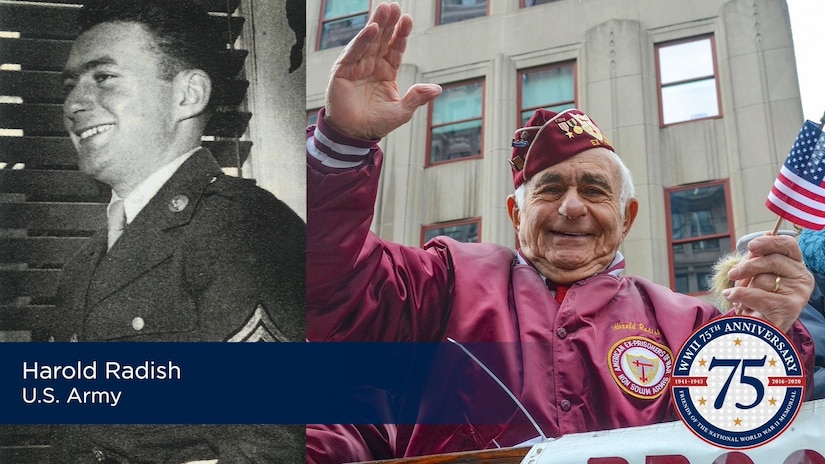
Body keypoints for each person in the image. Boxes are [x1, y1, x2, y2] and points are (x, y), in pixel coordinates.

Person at [305, 3, 815, 462]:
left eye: (594, 190)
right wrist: (343, 143)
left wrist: (770, 333)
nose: (572, 207)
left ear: (628, 216)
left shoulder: (691, 324)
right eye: (549, 190)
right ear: (515, 213)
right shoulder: (445, 282)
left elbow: (744, 434)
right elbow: (327, 283)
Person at [49, 0, 305, 461]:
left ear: (188, 95)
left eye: (103, 77)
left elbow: (270, 446)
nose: (74, 103)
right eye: (70, 85)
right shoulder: (83, 265)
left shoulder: (240, 227)